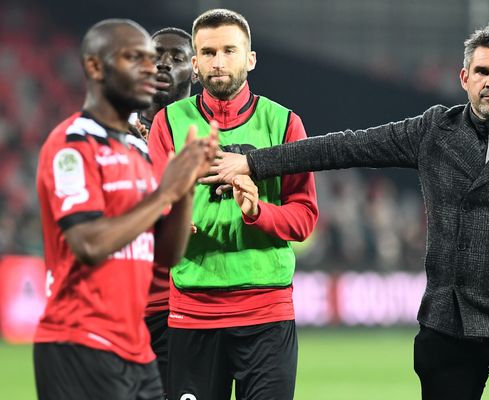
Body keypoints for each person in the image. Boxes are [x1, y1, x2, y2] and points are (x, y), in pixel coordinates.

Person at [203, 24, 489, 400]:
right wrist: (255, 163)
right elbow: (344, 148)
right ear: (464, 77)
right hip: (449, 326)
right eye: (482, 70)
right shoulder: (433, 132)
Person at [34, 19, 218, 400]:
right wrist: (165, 193)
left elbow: (168, 253)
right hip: (81, 342)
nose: (152, 68)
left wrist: (183, 188)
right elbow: (87, 243)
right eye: (136, 58)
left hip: (134, 344)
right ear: (95, 67)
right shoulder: (72, 145)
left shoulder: (135, 150)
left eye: (151, 60)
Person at [147, 8, 318, 400]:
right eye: (208, 53)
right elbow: (157, 206)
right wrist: (169, 222)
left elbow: (305, 218)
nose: (219, 62)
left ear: (250, 58)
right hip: (192, 310)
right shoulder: (168, 124)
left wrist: (258, 212)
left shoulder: (284, 123)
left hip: (266, 312)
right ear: (194, 64)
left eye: (229, 50)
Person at [137, 26, 195, 394]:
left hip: (183, 307)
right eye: (156, 54)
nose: (163, 63)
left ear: (196, 70)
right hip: (125, 304)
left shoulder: (208, 134)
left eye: (176, 58)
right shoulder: (112, 132)